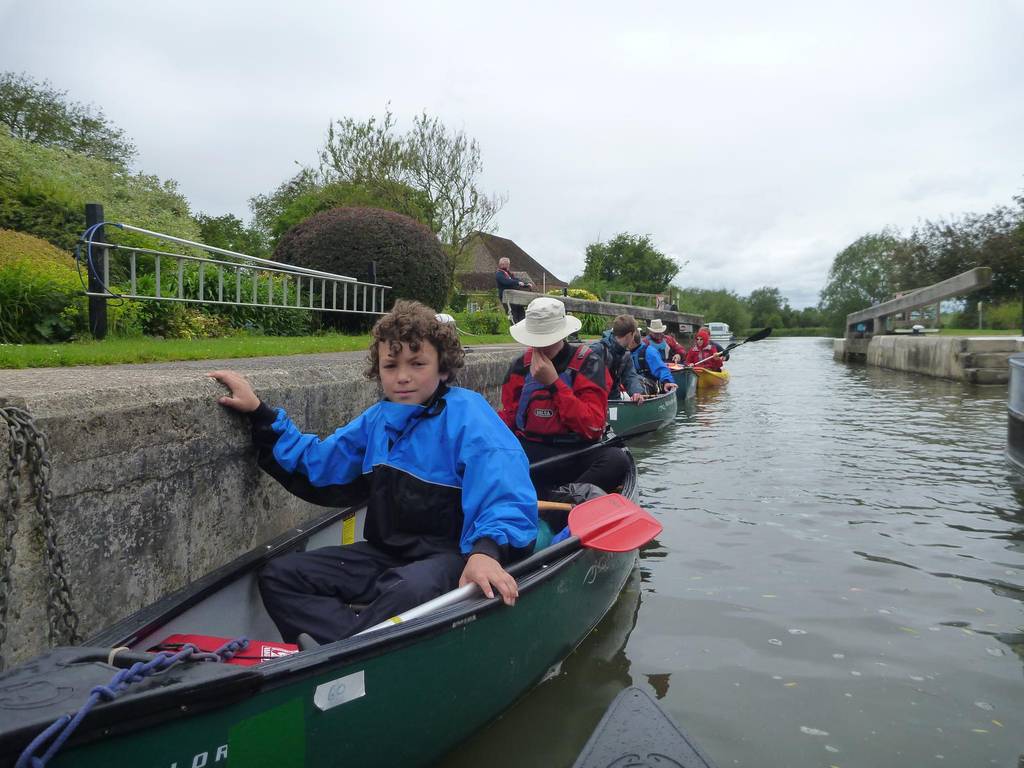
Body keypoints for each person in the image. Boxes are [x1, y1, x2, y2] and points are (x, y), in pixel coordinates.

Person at [209, 301, 538, 644]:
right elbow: (319, 464)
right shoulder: (377, 420)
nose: (402, 377)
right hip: (386, 556)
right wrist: (260, 413)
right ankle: (347, 649)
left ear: (443, 368)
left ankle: (340, 653)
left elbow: (505, 497)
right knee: (280, 575)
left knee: (406, 592)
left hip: (452, 556)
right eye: (390, 365)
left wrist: (485, 553)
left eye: (417, 363)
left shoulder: (471, 418)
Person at [498, 296, 630, 497]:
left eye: (546, 340)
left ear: (561, 335)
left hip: (576, 452)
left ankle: (561, 497)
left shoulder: (589, 364)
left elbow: (593, 427)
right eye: (535, 340)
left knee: (617, 460)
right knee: (491, 458)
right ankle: (561, 498)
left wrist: (554, 384)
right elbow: (510, 418)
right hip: (533, 454)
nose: (540, 347)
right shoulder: (519, 367)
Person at [590, 314, 645, 403]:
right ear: (630, 334)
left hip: (614, 399)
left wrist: (636, 392)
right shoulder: (597, 350)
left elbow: (630, 376)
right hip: (595, 401)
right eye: (634, 333)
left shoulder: (626, 354)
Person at [632, 328, 679, 395]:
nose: (658, 334)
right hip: (629, 386)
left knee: (637, 381)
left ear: (632, 341)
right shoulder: (623, 352)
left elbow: (661, 368)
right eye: (656, 333)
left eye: (659, 332)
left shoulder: (649, 352)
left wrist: (667, 381)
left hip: (648, 385)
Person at [495, 257, 534, 323]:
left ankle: (521, 330)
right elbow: (506, 282)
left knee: (521, 314)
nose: (508, 265)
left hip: (515, 297)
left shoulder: (509, 274)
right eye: (507, 264)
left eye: (508, 264)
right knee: (513, 315)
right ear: (501, 264)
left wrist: (526, 284)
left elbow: (516, 280)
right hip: (507, 298)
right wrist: (517, 282)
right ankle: (514, 329)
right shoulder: (499, 274)